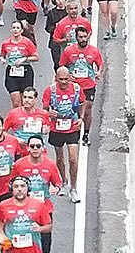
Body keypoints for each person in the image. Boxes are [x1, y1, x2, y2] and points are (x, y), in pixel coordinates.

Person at [43, 66, 83, 203]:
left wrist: (81, 118)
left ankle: (74, 187)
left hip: (72, 127)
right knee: (59, 158)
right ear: (56, 78)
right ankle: (64, 182)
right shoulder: (51, 90)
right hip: (57, 128)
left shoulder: (76, 89)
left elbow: (82, 104)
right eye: (61, 79)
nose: (64, 82)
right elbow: (45, 107)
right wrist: (50, 112)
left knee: (73, 158)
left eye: (66, 79)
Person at [0, 176, 53, 253]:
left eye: (22, 186)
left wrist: (40, 229)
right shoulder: (4, 205)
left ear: (28, 188)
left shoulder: (38, 204)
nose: (19, 189)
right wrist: (1, 234)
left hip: (33, 249)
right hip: (11, 249)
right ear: (11, 189)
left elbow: (49, 226)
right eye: (16, 186)